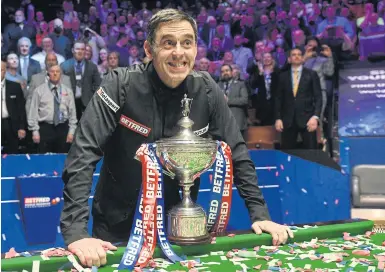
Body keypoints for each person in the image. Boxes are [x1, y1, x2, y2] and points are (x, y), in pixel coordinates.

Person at [61, 9, 293, 268]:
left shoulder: (207, 89)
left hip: (181, 231)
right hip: (116, 229)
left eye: (187, 43)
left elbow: (237, 153)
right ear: (149, 50)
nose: (179, 53)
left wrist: (260, 214)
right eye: (168, 43)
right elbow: (83, 152)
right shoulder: (119, 84)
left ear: (195, 49)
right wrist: (76, 233)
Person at [274, 48, 322, 150]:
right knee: (287, 154)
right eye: (294, 55)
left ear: (302, 58)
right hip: (288, 120)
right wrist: (278, 118)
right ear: (289, 59)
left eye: (299, 54)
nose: (296, 56)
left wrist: (315, 117)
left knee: (311, 153)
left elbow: (318, 97)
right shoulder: (283, 76)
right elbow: (278, 99)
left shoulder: (311, 74)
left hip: (308, 119)